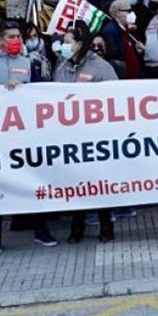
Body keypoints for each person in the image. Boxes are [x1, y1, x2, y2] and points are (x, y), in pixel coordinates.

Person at [0, 19, 57, 254]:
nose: (16, 41)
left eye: (18, 37)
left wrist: (24, 89)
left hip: (24, 135)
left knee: (33, 181)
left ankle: (41, 230)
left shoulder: (28, 62)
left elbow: (38, 92)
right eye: (11, 37)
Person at [52, 22, 118, 243]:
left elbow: (115, 98)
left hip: (95, 135)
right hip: (70, 136)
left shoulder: (100, 67)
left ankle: (106, 224)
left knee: (99, 182)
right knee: (76, 182)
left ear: (80, 44)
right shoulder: (61, 66)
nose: (63, 45)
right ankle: (77, 225)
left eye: (67, 42)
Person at [107, 0, 143, 80]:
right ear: (118, 13)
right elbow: (115, 54)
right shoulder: (112, 30)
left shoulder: (125, 30)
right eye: (128, 11)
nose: (131, 14)